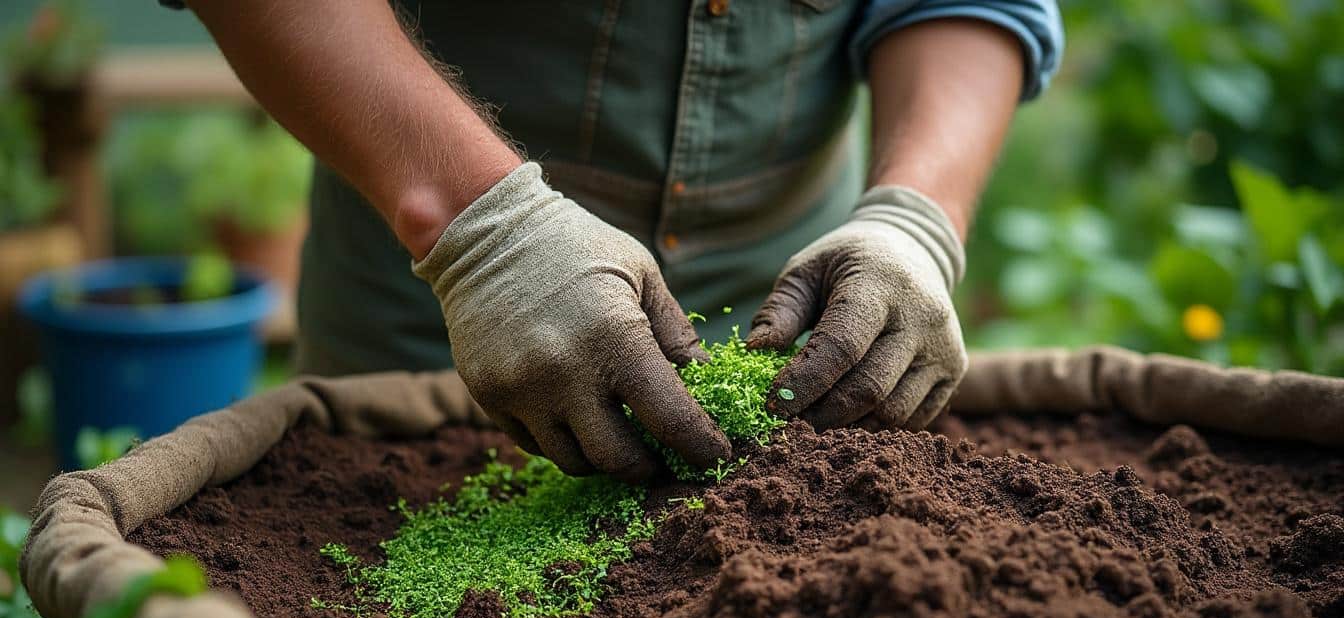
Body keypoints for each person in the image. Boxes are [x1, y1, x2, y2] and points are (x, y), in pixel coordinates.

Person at [168, 0, 1062, 481]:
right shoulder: (475, 263)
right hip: (445, 313)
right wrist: (485, 236)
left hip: (793, 322)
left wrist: (914, 220)